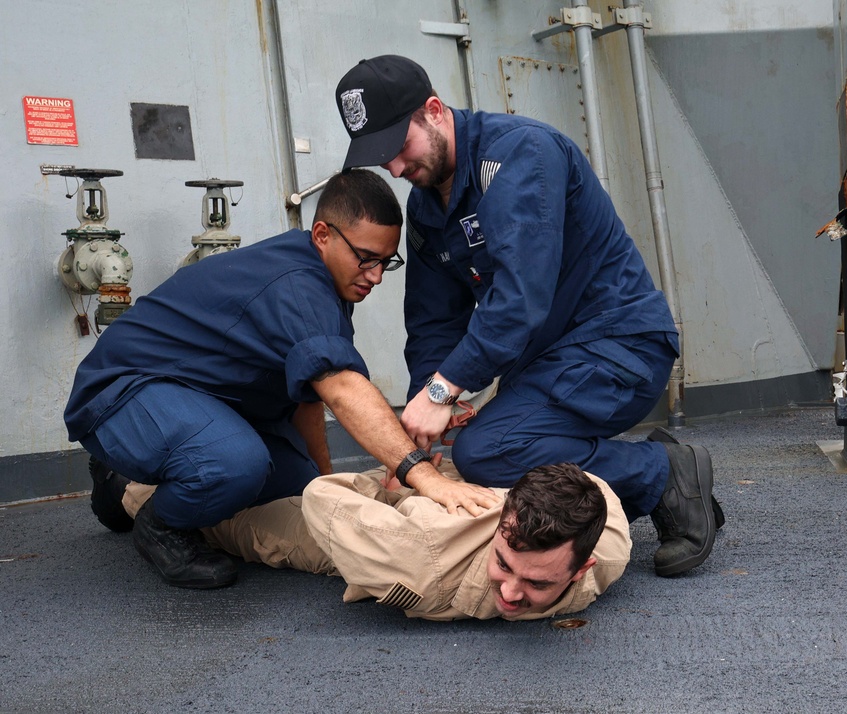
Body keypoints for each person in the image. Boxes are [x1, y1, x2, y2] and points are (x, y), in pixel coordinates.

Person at [334, 55, 723, 577]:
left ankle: (662, 473)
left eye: (399, 148)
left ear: (433, 110)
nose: (397, 169)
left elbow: (521, 299)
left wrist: (443, 393)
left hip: (618, 344)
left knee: (489, 452)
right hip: (548, 364)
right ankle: (631, 483)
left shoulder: (520, 154)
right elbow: (432, 323)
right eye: (383, 161)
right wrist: (418, 430)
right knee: (485, 450)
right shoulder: (428, 210)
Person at [64, 169, 499, 590]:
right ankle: (158, 526)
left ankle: (118, 483)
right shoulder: (298, 284)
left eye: (388, 262)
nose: (376, 276)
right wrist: (422, 475)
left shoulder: (330, 280)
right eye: (366, 259)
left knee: (297, 487)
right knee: (234, 466)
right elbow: (342, 389)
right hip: (126, 391)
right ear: (323, 235)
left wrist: (327, 487)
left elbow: (309, 397)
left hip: (207, 401)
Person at [119, 460, 631, 621]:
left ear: (581, 569)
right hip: (381, 532)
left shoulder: (607, 547)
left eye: (538, 583)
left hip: (420, 514)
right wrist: (408, 483)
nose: (513, 592)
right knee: (242, 527)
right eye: (505, 563)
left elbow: (596, 488)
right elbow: (324, 495)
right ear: (503, 527)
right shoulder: (419, 569)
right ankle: (122, 486)